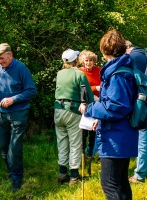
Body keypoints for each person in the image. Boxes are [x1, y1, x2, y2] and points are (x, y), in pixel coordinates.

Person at [79, 29, 139, 200]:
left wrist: (90, 109)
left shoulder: (117, 74)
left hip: (116, 136)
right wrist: (100, 116)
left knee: (110, 184)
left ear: (104, 50)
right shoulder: (123, 68)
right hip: (121, 132)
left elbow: (116, 106)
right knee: (120, 182)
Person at [0, 43, 37, 192]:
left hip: (18, 113)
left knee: (14, 149)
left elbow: (32, 91)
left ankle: (16, 179)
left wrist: (13, 99)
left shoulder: (21, 68)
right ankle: (12, 173)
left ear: (10, 54)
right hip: (0, 113)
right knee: (4, 148)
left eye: (2, 58)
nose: (0, 62)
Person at [54, 48, 94, 186]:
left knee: (62, 142)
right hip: (73, 111)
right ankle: (74, 176)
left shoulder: (59, 73)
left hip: (58, 110)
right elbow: (87, 94)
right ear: (76, 60)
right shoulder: (79, 74)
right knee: (75, 143)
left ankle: (62, 173)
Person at [126, 40, 147, 183]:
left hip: (143, 101)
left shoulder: (134, 57)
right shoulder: (145, 54)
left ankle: (140, 175)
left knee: (142, 136)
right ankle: (145, 165)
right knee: (144, 134)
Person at [78, 50, 101, 160]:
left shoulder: (98, 70)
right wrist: (95, 88)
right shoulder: (79, 72)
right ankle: (81, 154)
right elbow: (80, 89)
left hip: (96, 102)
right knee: (83, 130)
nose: (88, 63)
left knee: (93, 129)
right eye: (86, 60)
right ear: (82, 61)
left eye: (90, 60)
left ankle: (90, 153)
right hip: (83, 103)